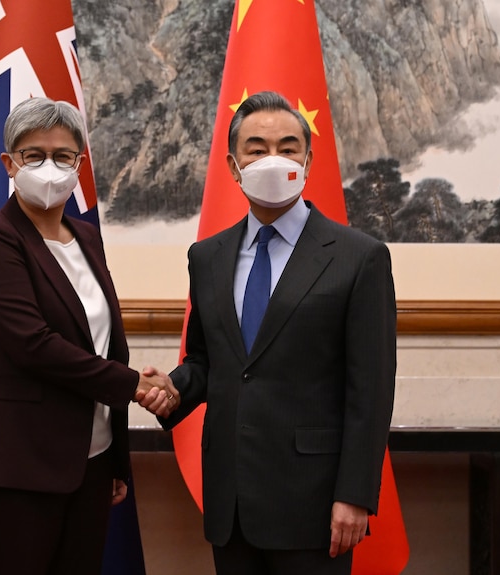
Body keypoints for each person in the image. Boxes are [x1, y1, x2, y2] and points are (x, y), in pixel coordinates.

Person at [147, 90, 396, 575]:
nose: (272, 159)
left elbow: (371, 390)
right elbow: (208, 360)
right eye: (256, 149)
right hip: (232, 503)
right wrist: (171, 389)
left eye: (287, 147)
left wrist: (355, 495)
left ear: (308, 158)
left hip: (316, 505)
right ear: (233, 164)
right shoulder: (208, 256)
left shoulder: (359, 257)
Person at [0, 97, 178, 575]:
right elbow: (32, 346)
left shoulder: (86, 238)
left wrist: (114, 458)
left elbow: (102, 343)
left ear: (80, 164)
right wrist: (135, 385)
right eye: (34, 155)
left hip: (90, 464)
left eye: (63, 156)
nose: (49, 167)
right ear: (9, 163)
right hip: (17, 469)